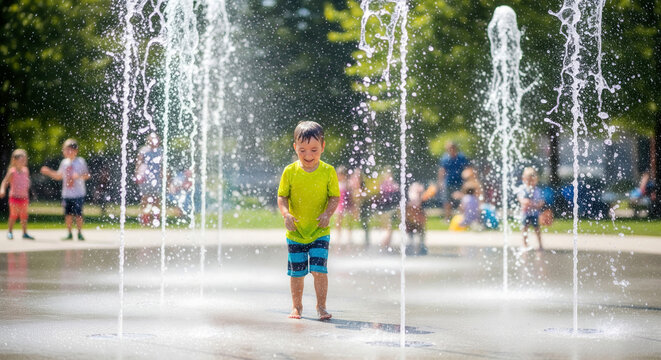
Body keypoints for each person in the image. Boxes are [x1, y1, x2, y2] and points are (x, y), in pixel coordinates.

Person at [277, 121, 340, 320]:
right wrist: (286, 214)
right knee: (296, 273)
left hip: (320, 231)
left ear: (323, 146)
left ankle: (321, 307)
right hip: (296, 232)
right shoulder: (290, 171)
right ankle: (297, 307)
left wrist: (327, 214)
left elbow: (334, 197)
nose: (308, 155)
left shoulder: (328, 171)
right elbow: (282, 197)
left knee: (319, 270)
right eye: (302, 150)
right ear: (295, 147)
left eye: (314, 149)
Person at [41, 139, 90, 241]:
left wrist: (79, 176)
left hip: (78, 193)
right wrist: (49, 172)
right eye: (65, 150)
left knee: (78, 214)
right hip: (67, 193)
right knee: (68, 214)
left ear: (75, 151)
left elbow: (87, 175)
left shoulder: (81, 161)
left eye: (69, 150)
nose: (66, 152)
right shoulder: (64, 163)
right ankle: (69, 233)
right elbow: (59, 176)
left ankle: (80, 232)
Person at [0, 149, 35, 240]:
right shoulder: (12, 171)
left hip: (24, 197)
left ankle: (24, 233)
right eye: (21, 160)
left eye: (25, 160)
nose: (24, 162)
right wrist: (2, 190)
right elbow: (5, 182)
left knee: (24, 216)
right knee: (13, 215)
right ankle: (10, 232)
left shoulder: (26, 170)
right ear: (14, 160)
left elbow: (27, 182)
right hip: (14, 197)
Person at [135, 132, 163, 227]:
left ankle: (155, 219)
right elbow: (139, 163)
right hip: (146, 178)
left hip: (157, 178)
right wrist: (138, 174)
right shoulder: (144, 150)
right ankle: (145, 219)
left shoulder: (161, 151)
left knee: (156, 199)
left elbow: (163, 165)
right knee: (145, 199)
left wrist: (164, 175)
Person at [438, 141, 470, 222]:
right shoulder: (445, 158)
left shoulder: (461, 157)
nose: (450, 150)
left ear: (455, 148)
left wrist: (467, 180)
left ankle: (463, 217)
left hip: (460, 182)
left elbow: (467, 168)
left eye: (451, 148)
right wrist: (440, 181)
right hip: (448, 182)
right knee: (447, 201)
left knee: (462, 200)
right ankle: (447, 218)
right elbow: (442, 170)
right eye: (448, 148)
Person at [516, 167, 544, 250]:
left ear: (536, 180)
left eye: (532, 180)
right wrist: (527, 202)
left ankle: (540, 244)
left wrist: (537, 204)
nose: (530, 182)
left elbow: (541, 201)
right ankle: (525, 244)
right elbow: (520, 199)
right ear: (524, 179)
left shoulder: (537, 190)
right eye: (528, 180)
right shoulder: (522, 189)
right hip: (526, 213)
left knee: (537, 228)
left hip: (535, 213)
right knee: (525, 228)